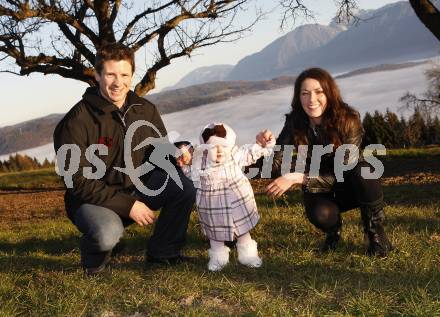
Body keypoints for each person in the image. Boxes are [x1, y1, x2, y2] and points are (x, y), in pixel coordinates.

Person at [53, 43, 196, 275]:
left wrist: (178, 151)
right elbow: (76, 181)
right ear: (98, 75)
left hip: (138, 188)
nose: (118, 82)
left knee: (183, 187)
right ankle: (94, 261)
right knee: (108, 233)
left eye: (124, 75)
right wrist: (128, 206)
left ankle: (163, 252)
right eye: (110, 74)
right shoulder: (75, 122)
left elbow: (157, 151)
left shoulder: (145, 108)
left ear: (131, 75)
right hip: (92, 199)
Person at [266, 67, 393, 257]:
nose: (312, 100)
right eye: (305, 93)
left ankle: (375, 234)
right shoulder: (294, 122)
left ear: (329, 93)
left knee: (363, 169)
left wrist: (298, 177)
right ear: (298, 97)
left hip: (352, 184)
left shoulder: (349, 119)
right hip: (321, 188)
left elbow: (343, 170)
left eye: (319, 92)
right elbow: (274, 166)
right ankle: (333, 233)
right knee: (320, 214)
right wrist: (267, 146)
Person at [177, 123, 274, 271]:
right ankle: (218, 257)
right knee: (215, 235)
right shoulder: (200, 161)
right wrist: (183, 164)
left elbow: (250, 153)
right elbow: (191, 174)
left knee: (242, 231)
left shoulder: (235, 154)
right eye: (214, 147)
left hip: (236, 201)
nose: (219, 151)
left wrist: (262, 145)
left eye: (223, 146)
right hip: (212, 206)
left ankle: (248, 255)